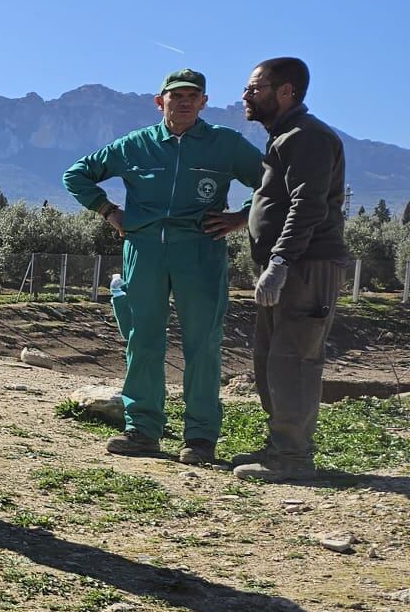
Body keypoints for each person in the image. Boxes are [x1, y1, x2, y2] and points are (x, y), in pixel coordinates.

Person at [63, 70, 264, 463]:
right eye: (176, 96)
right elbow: (77, 175)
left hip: (200, 251)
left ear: (204, 102)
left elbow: (273, 184)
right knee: (143, 340)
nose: (184, 102)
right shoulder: (135, 145)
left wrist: (241, 218)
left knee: (203, 344)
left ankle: (201, 438)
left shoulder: (226, 144)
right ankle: (141, 430)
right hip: (144, 251)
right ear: (160, 102)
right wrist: (107, 210)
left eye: (192, 95)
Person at [231, 57, 348, 482]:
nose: (246, 95)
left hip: (305, 266)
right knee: (269, 359)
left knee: (294, 360)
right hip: (286, 266)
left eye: (254, 87)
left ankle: (294, 457)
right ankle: (280, 447)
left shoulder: (307, 137)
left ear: (286, 92)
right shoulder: (284, 136)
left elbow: (308, 205)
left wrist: (280, 261)